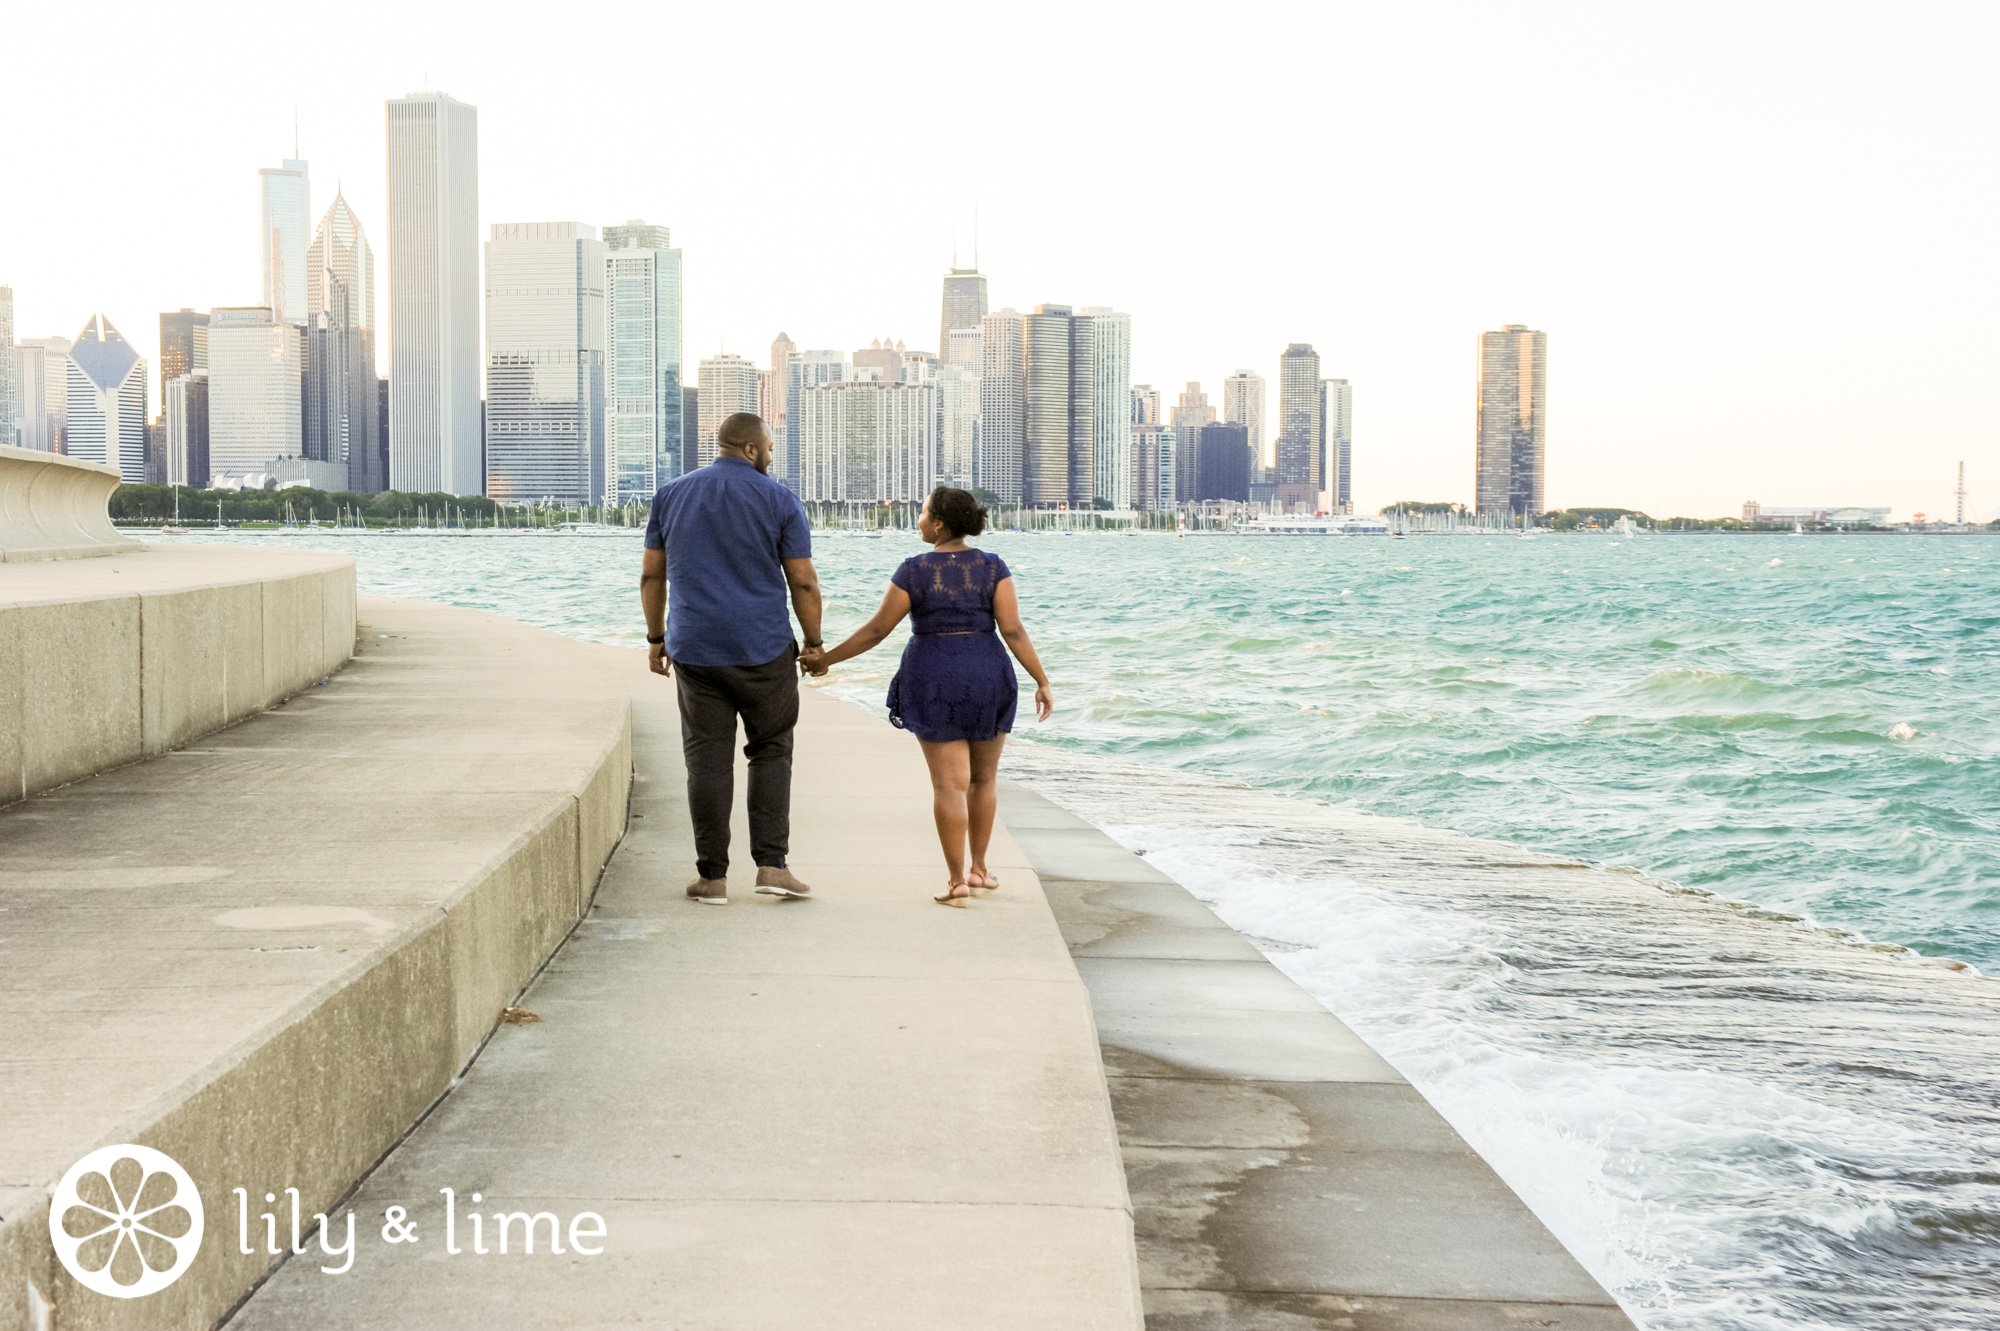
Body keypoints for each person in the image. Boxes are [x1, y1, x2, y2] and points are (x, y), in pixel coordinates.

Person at [803, 486, 1052, 907]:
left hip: (933, 674)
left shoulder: (913, 570)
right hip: (986, 672)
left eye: (922, 513)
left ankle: (956, 881)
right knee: (984, 779)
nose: (918, 519)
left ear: (938, 523)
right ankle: (980, 869)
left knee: (949, 786)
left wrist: (827, 659)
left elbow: (877, 630)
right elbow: (1012, 630)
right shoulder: (993, 567)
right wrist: (1042, 681)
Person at [640, 412, 823, 905]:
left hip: (695, 649)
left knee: (707, 761)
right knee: (771, 751)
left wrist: (656, 637)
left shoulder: (670, 494)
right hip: (763, 649)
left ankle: (712, 878)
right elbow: (802, 580)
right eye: (767, 447)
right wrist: (814, 643)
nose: (770, 455)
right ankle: (771, 866)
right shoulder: (779, 498)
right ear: (749, 448)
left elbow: (652, 577)